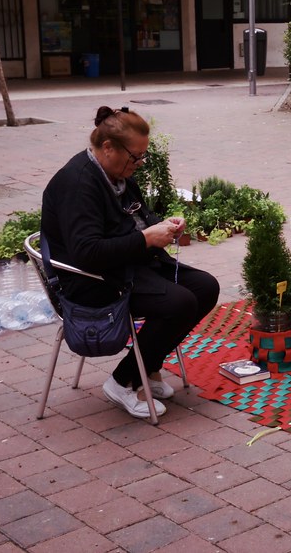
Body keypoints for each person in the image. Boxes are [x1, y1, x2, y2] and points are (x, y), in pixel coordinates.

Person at [41, 106, 220, 419]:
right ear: (107, 147)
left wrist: (163, 224)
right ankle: (123, 382)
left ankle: (146, 368)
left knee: (205, 287)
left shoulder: (116, 173)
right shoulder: (79, 183)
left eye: (142, 156)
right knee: (179, 303)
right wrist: (147, 239)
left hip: (127, 265)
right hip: (90, 280)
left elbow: (139, 216)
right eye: (134, 157)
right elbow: (87, 253)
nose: (138, 164)